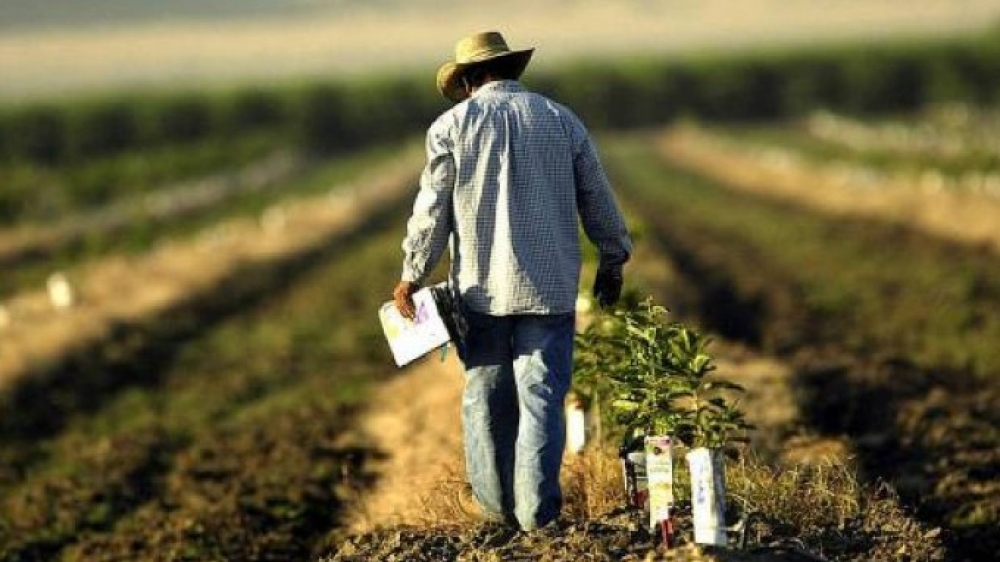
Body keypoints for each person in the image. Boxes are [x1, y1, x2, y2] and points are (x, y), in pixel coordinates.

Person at [393, 30, 632, 532]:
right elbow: (597, 198)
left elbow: (432, 209)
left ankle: (496, 515)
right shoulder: (560, 120)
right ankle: (537, 517)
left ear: (468, 81)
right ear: (509, 71)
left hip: (479, 291)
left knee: (484, 398)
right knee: (542, 398)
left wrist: (412, 274)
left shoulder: (451, 127)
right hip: (549, 289)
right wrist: (613, 259)